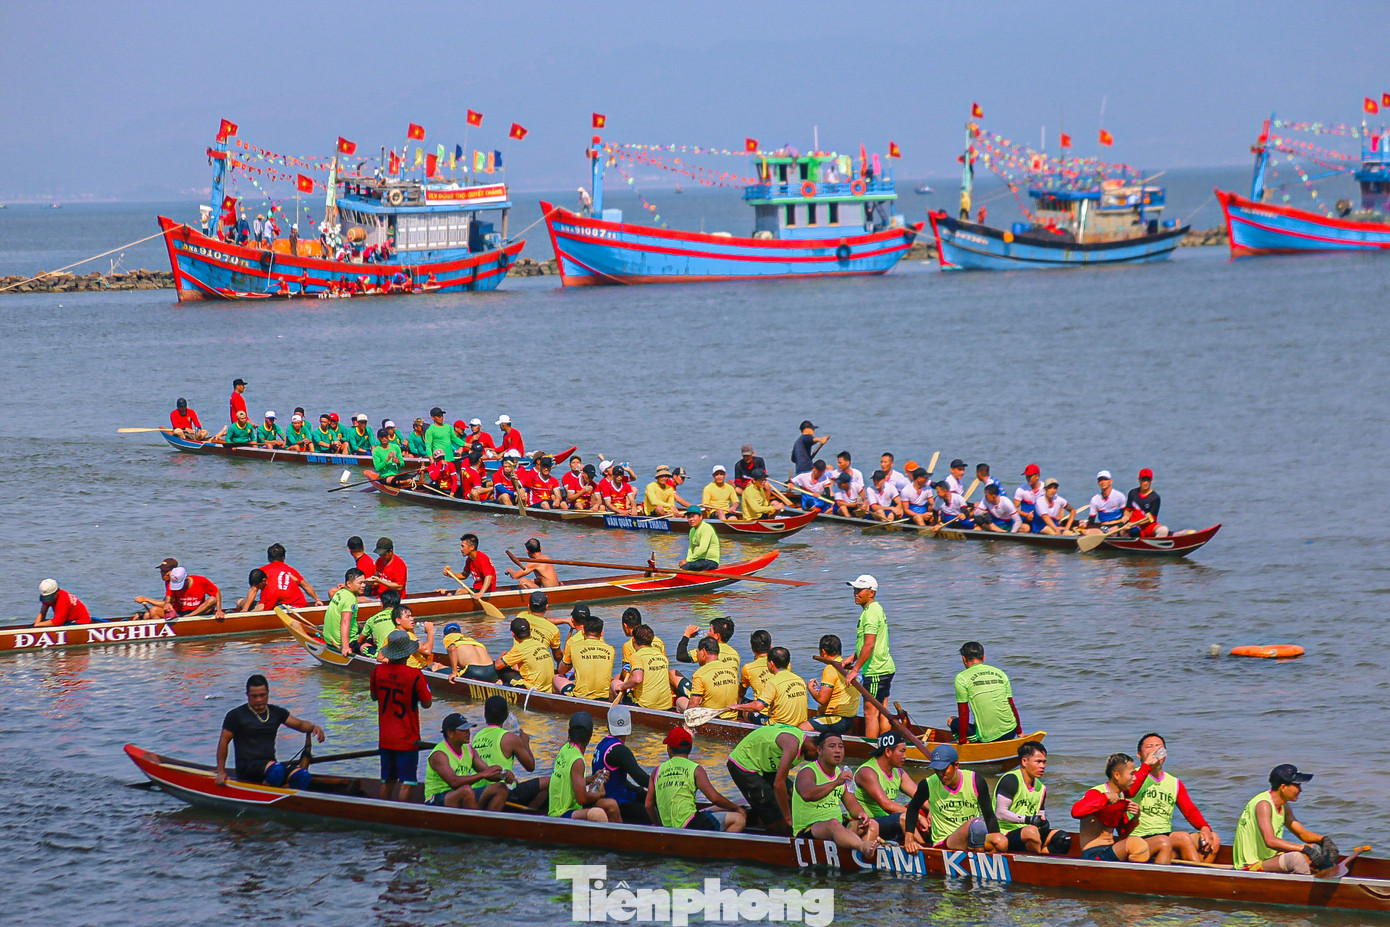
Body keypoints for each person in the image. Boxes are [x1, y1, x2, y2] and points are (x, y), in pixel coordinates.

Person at [215, 673, 325, 787]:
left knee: (303, 776)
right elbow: (223, 742)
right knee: (277, 770)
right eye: (254, 696)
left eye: (262, 695)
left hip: (270, 768)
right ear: (247, 695)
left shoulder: (276, 712)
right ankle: (262, 795)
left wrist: (314, 727)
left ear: (268, 693)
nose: (259, 700)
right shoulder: (235, 715)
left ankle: (279, 796)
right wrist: (221, 771)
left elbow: (300, 725)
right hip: (247, 769)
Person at [1127, 733, 1220, 864]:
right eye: (1149, 747)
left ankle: (1194, 874)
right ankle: (1198, 876)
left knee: (1214, 838)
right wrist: (1146, 765)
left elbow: (1190, 811)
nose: (1154, 750)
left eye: (1158, 747)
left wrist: (1204, 827)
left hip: (1166, 836)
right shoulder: (1133, 776)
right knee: (1181, 837)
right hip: (1139, 838)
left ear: (1165, 753)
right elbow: (1130, 792)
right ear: (1139, 755)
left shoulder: (1174, 782)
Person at [902, 744, 1007, 852]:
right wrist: (909, 838)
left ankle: (980, 858)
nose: (940, 774)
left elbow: (989, 815)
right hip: (945, 842)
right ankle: (974, 860)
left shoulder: (976, 781)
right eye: (936, 770)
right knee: (977, 825)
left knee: (1001, 842)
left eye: (944, 769)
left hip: (973, 836)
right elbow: (913, 808)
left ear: (956, 765)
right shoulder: (928, 784)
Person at [792, 732, 880, 859]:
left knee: (872, 824)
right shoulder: (807, 772)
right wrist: (836, 782)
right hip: (809, 829)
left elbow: (852, 805)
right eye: (832, 746)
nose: (837, 751)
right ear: (819, 750)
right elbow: (807, 794)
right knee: (833, 824)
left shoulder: (842, 773)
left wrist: (862, 814)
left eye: (841, 746)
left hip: (838, 829)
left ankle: (862, 859)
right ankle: (862, 847)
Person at [1233, 764, 1333, 874]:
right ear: (1283, 787)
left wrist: (1324, 840)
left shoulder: (1284, 806)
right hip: (1250, 865)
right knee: (1296, 859)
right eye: (1297, 785)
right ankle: (1306, 886)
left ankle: (1321, 876)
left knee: (1315, 848)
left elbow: (1302, 833)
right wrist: (1303, 849)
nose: (1300, 790)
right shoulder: (1264, 805)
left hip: (1269, 858)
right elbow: (1270, 841)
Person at [371, 629, 433, 801]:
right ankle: (401, 816)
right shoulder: (415, 675)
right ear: (408, 653)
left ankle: (384, 814)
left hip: (385, 737)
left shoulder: (377, 672)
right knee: (408, 782)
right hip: (407, 738)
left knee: (388, 781)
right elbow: (427, 704)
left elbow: (374, 696)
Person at [647, 726, 747, 832]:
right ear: (690, 748)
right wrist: (737, 808)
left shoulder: (656, 771)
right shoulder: (696, 769)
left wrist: (659, 826)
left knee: (723, 807)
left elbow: (648, 805)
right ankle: (715, 848)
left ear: (669, 748)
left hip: (667, 826)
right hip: (690, 824)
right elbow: (714, 798)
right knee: (739, 820)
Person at [726, 720, 814, 833]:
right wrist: (787, 818)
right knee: (772, 807)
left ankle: (762, 821)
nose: (814, 760)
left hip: (763, 765)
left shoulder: (803, 740)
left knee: (792, 793)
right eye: (815, 757)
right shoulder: (792, 745)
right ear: (816, 749)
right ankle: (777, 834)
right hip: (743, 764)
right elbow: (778, 784)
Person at [1070, 753, 1151, 862]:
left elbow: (1123, 833)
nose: (1135, 778)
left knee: (1160, 843)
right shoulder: (1096, 792)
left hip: (1110, 849)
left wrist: (1135, 818)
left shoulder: (1120, 796)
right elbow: (1076, 812)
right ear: (1117, 775)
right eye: (1132, 774)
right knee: (1137, 844)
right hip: (1093, 854)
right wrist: (1105, 797)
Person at [474, 695, 549, 811]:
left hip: (480, 792)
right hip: (503, 792)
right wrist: (525, 743)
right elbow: (530, 766)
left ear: (485, 715)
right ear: (506, 715)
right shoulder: (510, 738)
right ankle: (526, 816)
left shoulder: (476, 736)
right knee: (550, 782)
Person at [841, 574, 894, 740]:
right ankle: (886, 747)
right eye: (854, 590)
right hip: (885, 667)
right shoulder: (875, 608)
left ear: (871, 592)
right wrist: (853, 657)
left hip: (875, 670)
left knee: (870, 713)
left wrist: (855, 670)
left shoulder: (870, 614)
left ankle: (872, 751)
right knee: (882, 709)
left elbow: (869, 644)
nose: (855, 593)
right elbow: (868, 643)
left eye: (859, 590)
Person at [994, 741, 1069, 854]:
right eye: (1038, 762)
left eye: (1044, 762)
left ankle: (1043, 861)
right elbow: (1000, 813)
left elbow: (1040, 814)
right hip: (1005, 834)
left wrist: (1043, 822)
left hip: (1030, 833)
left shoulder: (1041, 787)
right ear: (1024, 761)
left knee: (1063, 839)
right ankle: (1038, 864)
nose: (1042, 766)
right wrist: (1028, 820)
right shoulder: (1011, 780)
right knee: (1031, 832)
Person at [549, 711, 621, 822]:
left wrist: (592, 778)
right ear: (590, 735)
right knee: (598, 814)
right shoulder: (578, 760)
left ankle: (619, 836)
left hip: (565, 807)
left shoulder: (565, 749)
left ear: (569, 732)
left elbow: (571, 780)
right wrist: (600, 794)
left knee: (611, 805)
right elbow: (581, 798)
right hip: (562, 813)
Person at [424, 713, 506, 809]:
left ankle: (489, 822)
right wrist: (483, 774)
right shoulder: (439, 755)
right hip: (437, 798)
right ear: (450, 733)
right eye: (463, 730)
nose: (468, 732)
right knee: (466, 790)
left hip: (462, 792)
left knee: (501, 788)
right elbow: (454, 782)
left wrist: (504, 775)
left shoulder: (469, 750)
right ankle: (476, 822)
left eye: (468, 729)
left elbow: (489, 773)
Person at [854, 732, 920, 844]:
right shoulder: (867, 772)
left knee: (925, 810)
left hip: (889, 822)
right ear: (888, 751)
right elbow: (886, 805)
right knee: (905, 817)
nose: (905, 756)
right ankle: (929, 849)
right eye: (902, 751)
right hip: (869, 824)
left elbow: (919, 796)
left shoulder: (899, 772)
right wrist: (916, 816)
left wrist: (931, 811)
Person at [951, 641, 1022, 745]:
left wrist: (962, 739)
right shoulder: (1001, 673)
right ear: (983, 658)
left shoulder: (961, 678)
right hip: (1011, 731)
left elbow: (964, 712)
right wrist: (1019, 731)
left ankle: (968, 743)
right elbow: (1011, 704)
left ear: (964, 659)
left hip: (988, 738)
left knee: (951, 721)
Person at [592, 706, 651, 823]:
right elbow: (641, 778)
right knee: (650, 814)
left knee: (641, 794)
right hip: (615, 801)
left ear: (608, 725)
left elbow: (618, 779)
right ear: (630, 725)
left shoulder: (602, 744)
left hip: (610, 795)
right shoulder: (621, 751)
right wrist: (664, 786)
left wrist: (639, 790)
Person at [732, 646, 808, 727]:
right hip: (799, 723)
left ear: (771, 664)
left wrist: (737, 707)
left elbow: (758, 706)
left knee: (747, 713)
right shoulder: (800, 679)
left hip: (778, 724)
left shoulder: (773, 682)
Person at [238, 543, 321, 611]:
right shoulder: (291, 571)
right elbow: (306, 586)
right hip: (296, 605)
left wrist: (245, 610)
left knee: (242, 602)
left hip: (282, 605)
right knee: (241, 602)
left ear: (269, 558)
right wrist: (317, 600)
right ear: (283, 558)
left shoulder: (261, 572)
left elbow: (254, 589)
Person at [805, 635, 859, 734]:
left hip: (838, 719)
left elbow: (822, 699)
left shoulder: (830, 668)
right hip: (850, 718)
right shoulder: (847, 666)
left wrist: (810, 689)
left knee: (801, 728)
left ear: (823, 651)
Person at [612, 624, 673, 710]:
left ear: (633, 639)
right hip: (666, 706)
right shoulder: (663, 657)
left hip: (644, 706)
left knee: (614, 683)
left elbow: (637, 679)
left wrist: (622, 686)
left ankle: (615, 713)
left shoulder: (636, 656)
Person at [676, 637, 739, 718]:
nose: (697, 654)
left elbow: (693, 705)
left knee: (679, 701)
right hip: (732, 716)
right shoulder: (732, 670)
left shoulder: (700, 674)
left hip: (710, 718)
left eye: (697, 651)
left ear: (703, 651)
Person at [554, 614, 614, 698]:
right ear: (602, 634)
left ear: (583, 632)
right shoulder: (610, 649)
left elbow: (561, 671)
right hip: (604, 696)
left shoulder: (573, 646)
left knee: (556, 677)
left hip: (581, 696)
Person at [496, 617, 556, 691]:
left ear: (513, 634)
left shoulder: (520, 648)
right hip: (550, 687)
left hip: (533, 689)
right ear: (530, 630)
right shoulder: (540, 644)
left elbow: (498, 665)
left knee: (501, 669)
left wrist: (502, 654)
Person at [322, 569, 366, 657]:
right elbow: (345, 622)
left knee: (363, 627)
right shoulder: (350, 599)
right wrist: (345, 647)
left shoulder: (340, 592)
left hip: (329, 638)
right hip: (345, 642)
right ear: (349, 584)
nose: (363, 585)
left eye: (364, 582)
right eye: (360, 583)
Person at [158, 566, 225, 622]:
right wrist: (167, 604)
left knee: (212, 599)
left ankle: (189, 617)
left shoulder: (201, 580)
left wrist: (219, 610)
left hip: (199, 611)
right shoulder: (172, 583)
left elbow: (216, 592)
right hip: (180, 612)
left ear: (186, 578)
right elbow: (169, 597)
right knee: (154, 610)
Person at [515, 591, 564, 662]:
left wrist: (565, 620)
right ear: (546, 607)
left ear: (528, 606)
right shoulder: (553, 629)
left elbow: (540, 620)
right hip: (540, 664)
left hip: (519, 662)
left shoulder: (520, 616)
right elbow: (557, 656)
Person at [1126, 468, 1169, 538]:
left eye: (1148, 480)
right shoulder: (1132, 493)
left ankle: (1155, 547)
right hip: (1133, 526)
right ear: (1139, 480)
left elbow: (1151, 519)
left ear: (1152, 480)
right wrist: (1125, 519)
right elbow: (1127, 511)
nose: (1145, 483)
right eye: (1143, 480)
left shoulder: (1155, 498)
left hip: (1148, 526)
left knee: (1163, 530)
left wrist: (1136, 523)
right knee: (1131, 531)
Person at [1083, 470, 1129, 535]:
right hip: (1104, 527)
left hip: (1120, 525)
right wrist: (1085, 523)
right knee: (1087, 532)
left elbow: (1127, 516)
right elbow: (1091, 521)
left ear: (1110, 481)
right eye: (1100, 480)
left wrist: (1117, 527)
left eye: (1105, 479)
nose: (1103, 482)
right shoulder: (1095, 499)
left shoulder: (1119, 496)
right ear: (1098, 483)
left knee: (1123, 532)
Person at [676, 505, 722, 570]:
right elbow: (691, 548)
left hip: (710, 561)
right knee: (683, 565)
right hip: (699, 560)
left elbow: (702, 549)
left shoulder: (706, 528)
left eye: (693, 516)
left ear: (700, 517)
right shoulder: (692, 530)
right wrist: (688, 560)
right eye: (689, 517)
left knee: (686, 566)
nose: (691, 519)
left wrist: (688, 560)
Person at [740, 629, 774, 702]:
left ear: (752, 649)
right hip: (780, 709)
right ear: (771, 646)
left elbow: (741, 693)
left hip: (761, 710)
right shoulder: (785, 665)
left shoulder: (748, 668)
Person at [1014, 464, 1045, 533]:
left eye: (1030, 476)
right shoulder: (1021, 489)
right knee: (1026, 528)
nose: (1028, 478)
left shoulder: (1045, 488)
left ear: (1037, 476)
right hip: (1026, 520)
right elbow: (1014, 509)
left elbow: (1055, 502)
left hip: (1042, 519)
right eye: (1027, 476)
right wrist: (1026, 515)